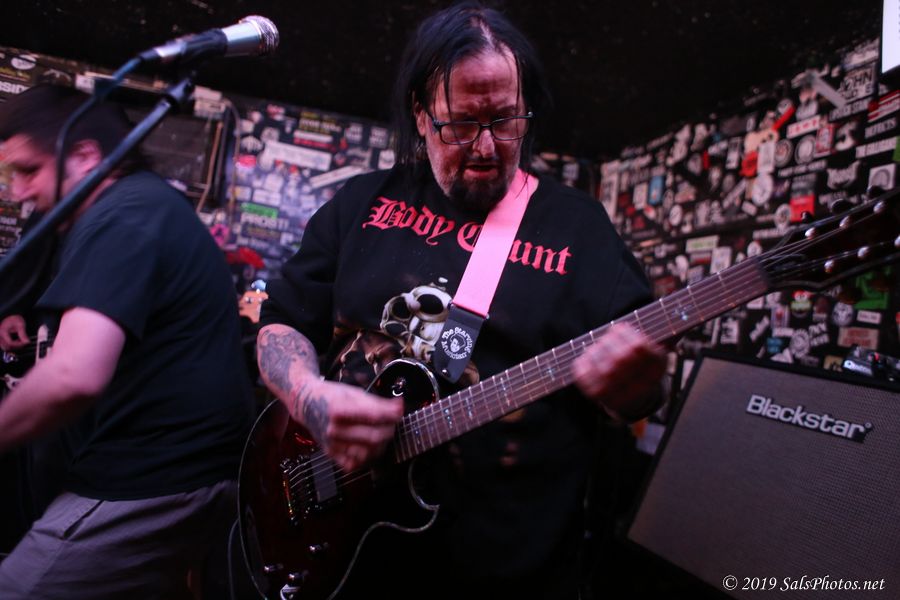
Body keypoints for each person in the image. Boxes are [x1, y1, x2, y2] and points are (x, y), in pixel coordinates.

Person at [256, 3, 666, 598]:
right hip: (349, 547)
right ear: (421, 116)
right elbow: (280, 326)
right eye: (461, 124)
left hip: (506, 568)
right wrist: (308, 396)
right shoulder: (360, 204)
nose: (486, 146)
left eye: (505, 120)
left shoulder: (580, 230)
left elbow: (637, 391)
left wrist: (638, 388)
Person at [0, 84, 254, 599]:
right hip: (158, 469)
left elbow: (72, 376)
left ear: (86, 156)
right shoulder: (127, 207)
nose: (16, 192)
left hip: (156, 475)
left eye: (28, 171)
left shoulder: (125, 214)